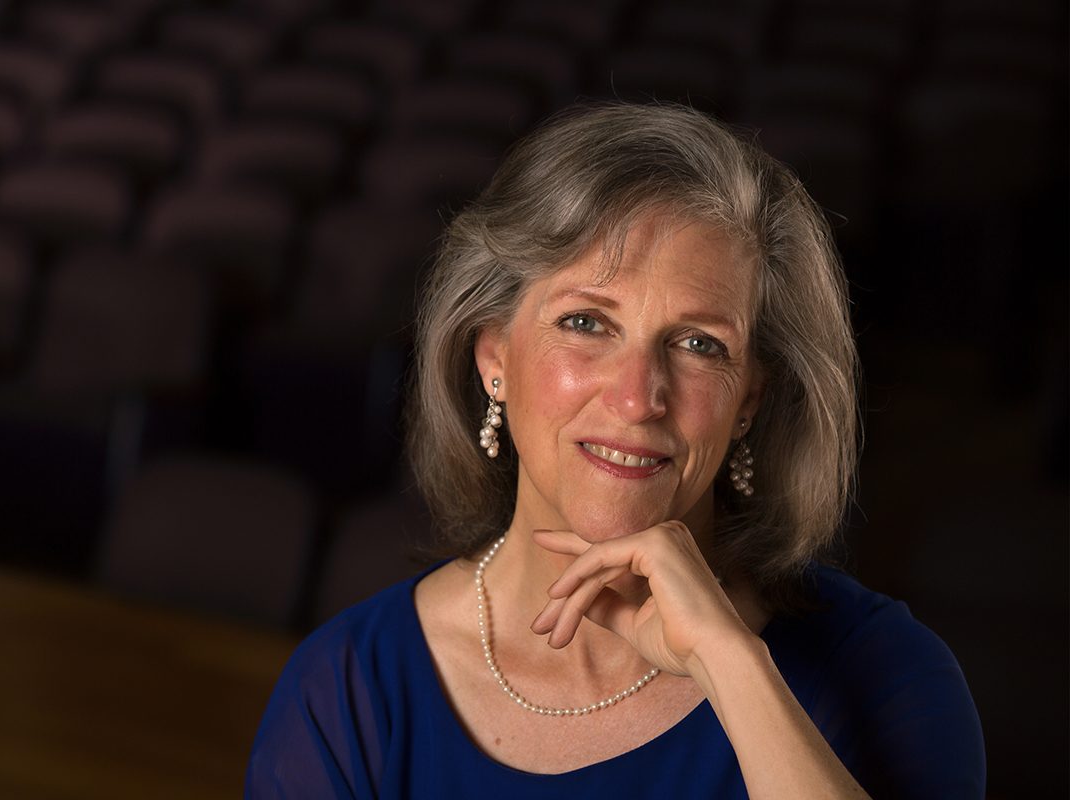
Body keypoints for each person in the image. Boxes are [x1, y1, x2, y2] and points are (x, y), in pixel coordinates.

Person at [245, 103, 986, 798]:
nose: (637, 399)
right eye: (586, 323)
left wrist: (731, 666)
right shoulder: (347, 692)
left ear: (749, 401)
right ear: (494, 356)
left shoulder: (888, 676)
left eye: (698, 344)